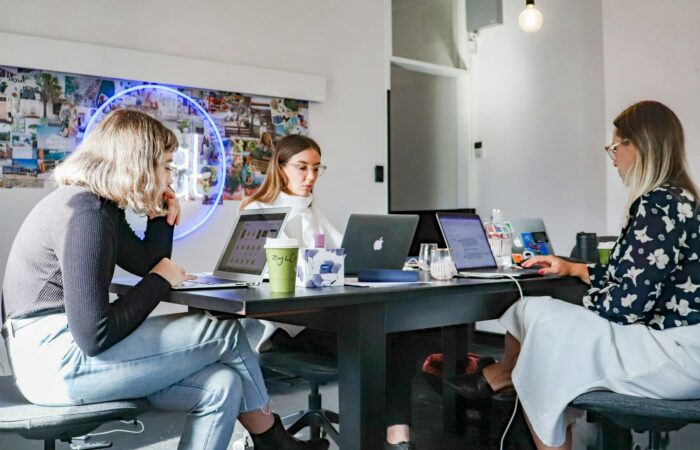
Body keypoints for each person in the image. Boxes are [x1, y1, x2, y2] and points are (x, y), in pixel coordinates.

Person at [0, 109, 329, 450]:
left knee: (222, 383)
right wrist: (160, 280)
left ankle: (271, 441)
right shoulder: (88, 214)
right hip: (54, 363)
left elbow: (146, 262)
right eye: (167, 165)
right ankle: (272, 439)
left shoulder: (98, 206)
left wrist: (160, 218)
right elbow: (94, 335)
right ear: (140, 164)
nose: (172, 174)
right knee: (226, 331)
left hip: (55, 357)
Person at [446, 100, 700, 449]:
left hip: (673, 355)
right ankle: (504, 378)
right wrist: (574, 268)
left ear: (637, 146)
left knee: (542, 318)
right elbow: (640, 275)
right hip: (679, 344)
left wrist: (581, 302)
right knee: (533, 314)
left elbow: (626, 307)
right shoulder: (680, 199)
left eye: (615, 147)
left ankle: (501, 378)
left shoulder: (657, 203)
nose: (613, 159)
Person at [240, 134, 418, 450]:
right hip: (285, 328)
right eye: (302, 167)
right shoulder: (259, 209)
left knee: (398, 333)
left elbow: (345, 251)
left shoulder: (312, 210)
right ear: (280, 168)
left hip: (323, 319)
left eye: (317, 169)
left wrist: (392, 259)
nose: (310, 177)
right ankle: (381, 432)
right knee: (381, 339)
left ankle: (398, 435)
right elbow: (264, 278)